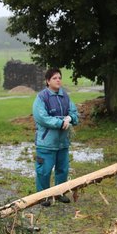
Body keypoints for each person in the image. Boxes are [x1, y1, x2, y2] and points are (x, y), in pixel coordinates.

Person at [32, 68, 79, 207]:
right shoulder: (42, 98)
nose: (58, 80)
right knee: (44, 171)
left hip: (62, 143)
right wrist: (61, 122)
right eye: (54, 78)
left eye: (59, 77)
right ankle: (43, 196)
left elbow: (74, 113)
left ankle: (59, 193)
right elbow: (42, 118)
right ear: (47, 81)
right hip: (46, 143)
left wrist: (70, 118)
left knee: (62, 170)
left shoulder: (65, 96)